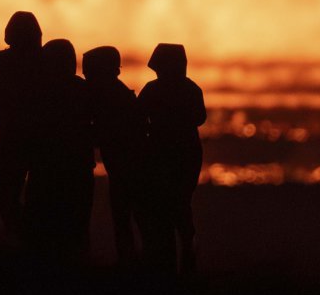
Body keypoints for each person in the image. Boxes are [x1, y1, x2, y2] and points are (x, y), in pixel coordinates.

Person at [137, 43, 205, 275]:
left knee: (166, 209)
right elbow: (200, 118)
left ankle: (171, 262)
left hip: (164, 154)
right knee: (180, 206)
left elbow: (138, 118)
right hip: (186, 153)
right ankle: (186, 260)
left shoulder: (152, 90)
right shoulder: (192, 89)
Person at [0, 11, 44, 238]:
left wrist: (1, 101)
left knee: (5, 196)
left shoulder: (1, 60)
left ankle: (19, 239)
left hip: (11, 140)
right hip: (43, 142)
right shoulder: (45, 61)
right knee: (38, 199)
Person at [24, 39, 94, 258]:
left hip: (46, 167)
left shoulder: (37, 91)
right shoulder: (83, 90)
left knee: (42, 223)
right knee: (76, 225)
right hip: (76, 167)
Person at [84, 46, 149, 264]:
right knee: (129, 218)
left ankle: (139, 266)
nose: (87, 78)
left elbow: (107, 132)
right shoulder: (112, 94)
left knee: (131, 217)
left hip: (129, 168)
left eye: (90, 73)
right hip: (124, 168)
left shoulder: (114, 98)